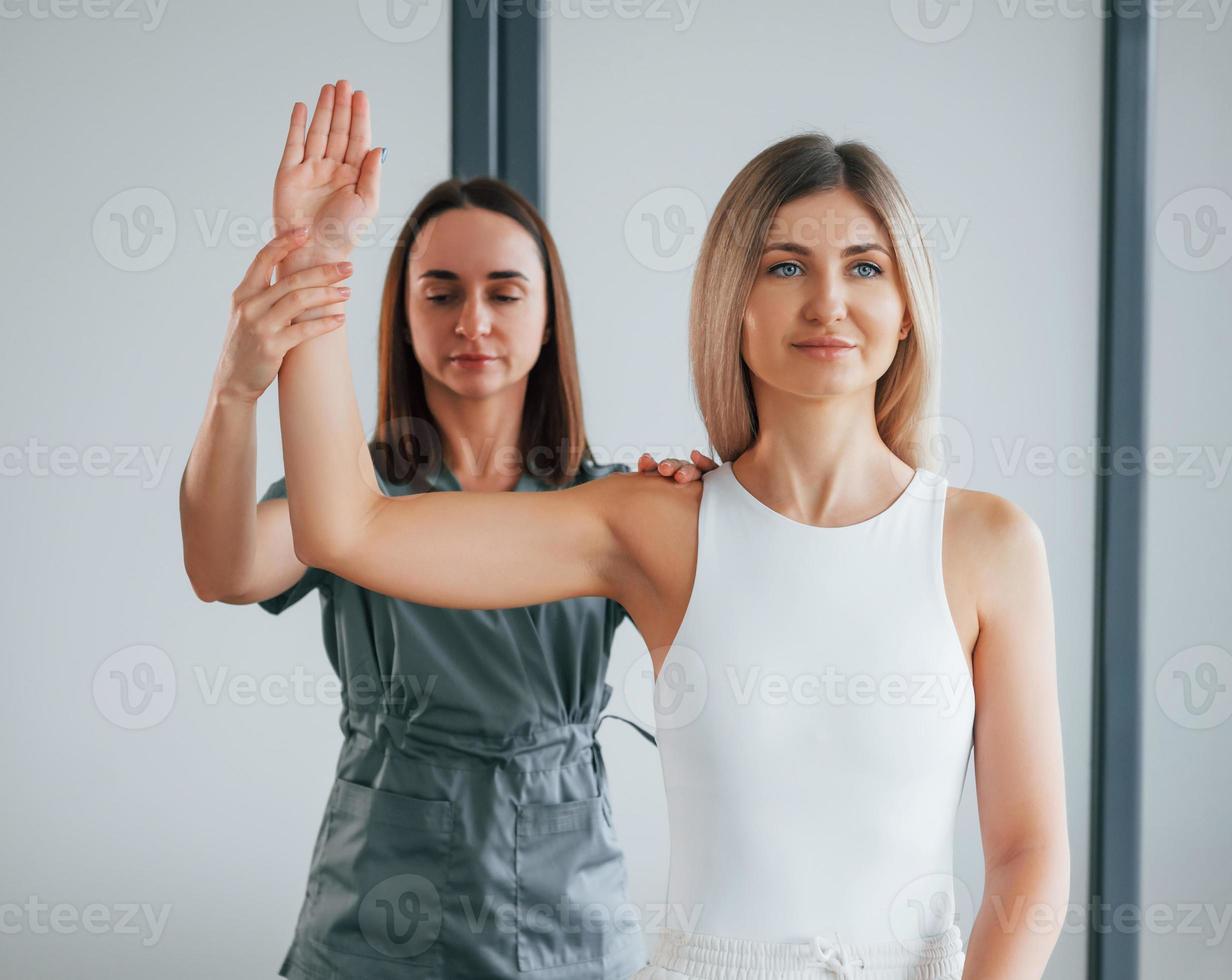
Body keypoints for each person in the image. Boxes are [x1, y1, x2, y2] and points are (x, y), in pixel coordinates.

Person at [274, 78, 1069, 980]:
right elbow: (343, 528)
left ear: (907, 307)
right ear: (734, 302)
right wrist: (314, 263)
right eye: (784, 266)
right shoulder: (655, 526)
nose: (828, 303)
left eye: (864, 266)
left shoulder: (990, 546)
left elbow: (1029, 854)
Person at [179, 79, 712, 980]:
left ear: (548, 319)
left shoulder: (613, 503)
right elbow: (225, 568)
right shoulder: (351, 495)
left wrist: (710, 502)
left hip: (566, 918)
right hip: (375, 914)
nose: (474, 322)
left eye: (505, 293)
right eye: (441, 293)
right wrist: (236, 390)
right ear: (402, 312)